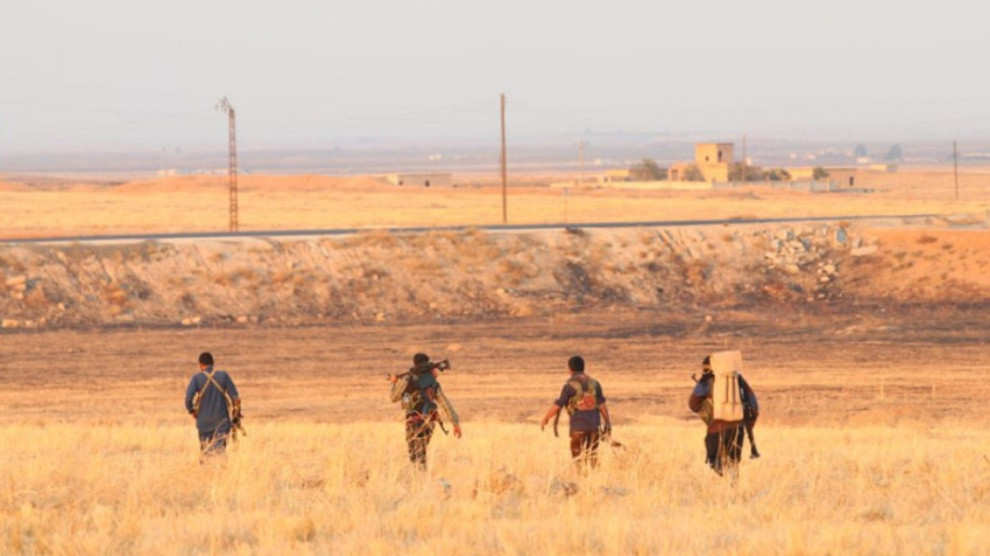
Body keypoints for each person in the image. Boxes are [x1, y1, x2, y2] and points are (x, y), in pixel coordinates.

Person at [388, 353, 462, 470]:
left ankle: (419, 479)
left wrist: (393, 382)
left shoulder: (406, 379)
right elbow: (445, 404)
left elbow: (393, 398)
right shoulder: (432, 382)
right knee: (422, 451)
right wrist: (455, 423)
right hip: (429, 421)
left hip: (412, 422)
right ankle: (422, 478)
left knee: (413, 454)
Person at [689, 355, 759, 476]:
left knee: (714, 461)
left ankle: (721, 484)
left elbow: (693, 405)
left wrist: (707, 405)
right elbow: (753, 405)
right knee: (733, 462)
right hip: (738, 428)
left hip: (716, 428)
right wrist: (749, 422)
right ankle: (732, 488)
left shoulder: (706, 381)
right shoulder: (738, 380)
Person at [540, 355, 611, 470]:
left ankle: (581, 481)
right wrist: (608, 423)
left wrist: (546, 418)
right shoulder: (595, 384)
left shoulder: (568, 386)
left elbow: (558, 405)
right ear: (583, 367)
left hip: (578, 428)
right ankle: (593, 482)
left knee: (578, 461)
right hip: (594, 428)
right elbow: (602, 406)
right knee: (592, 457)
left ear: (570, 369)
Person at [184, 352, 241, 458]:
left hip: (203, 422)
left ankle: (205, 471)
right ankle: (220, 471)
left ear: (200, 365)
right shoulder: (223, 376)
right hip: (222, 422)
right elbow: (235, 399)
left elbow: (188, 399)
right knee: (219, 451)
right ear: (213, 363)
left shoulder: (196, 378)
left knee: (205, 451)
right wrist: (237, 414)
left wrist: (192, 411)